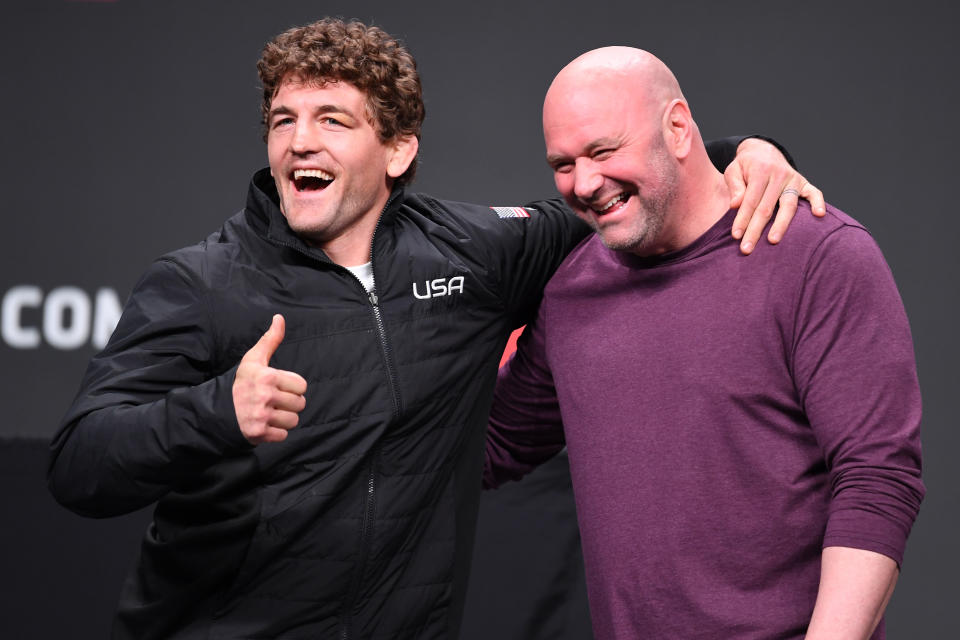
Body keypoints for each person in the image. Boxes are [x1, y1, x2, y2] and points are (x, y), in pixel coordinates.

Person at [47, 19, 820, 640]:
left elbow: (622, 191)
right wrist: (216, 412)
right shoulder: (200, 283)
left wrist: (753, 153)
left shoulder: (475, 252)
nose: (299, 142)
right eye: (283, 120)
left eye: (331, 119)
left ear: (397, 150)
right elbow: (80, 465)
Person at [485, 47, 924, 640]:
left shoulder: (816, 254)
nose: (584, 183)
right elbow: (487, 447)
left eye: (604, 151)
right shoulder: (571, 291)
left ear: (677, 127)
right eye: (562, 163)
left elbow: (877, 478)